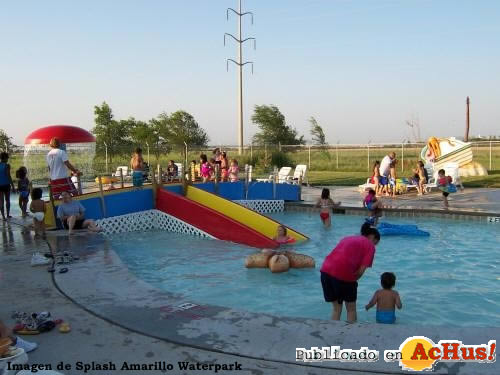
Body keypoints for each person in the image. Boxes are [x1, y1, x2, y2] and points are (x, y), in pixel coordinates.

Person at [320, 223, 380, 323]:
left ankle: (333, 334)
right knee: (351, 309)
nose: (375, 245)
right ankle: (351, 336)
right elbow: (361, 271)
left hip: (326, 272)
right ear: (372, 237)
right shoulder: (370, 246)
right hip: (343, 275)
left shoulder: (348, 238)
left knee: (336, 308)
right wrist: (352, 283)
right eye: (375, 242)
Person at [0, 152, 16, 220]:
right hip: (6, 185)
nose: (7, 159)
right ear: (5, 158)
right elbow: (8, 176)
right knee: (7, 200)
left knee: (1, 201)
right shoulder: (7, 165)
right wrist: (13, 186)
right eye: (7, 158)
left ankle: (3, 216)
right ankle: (8, 214)